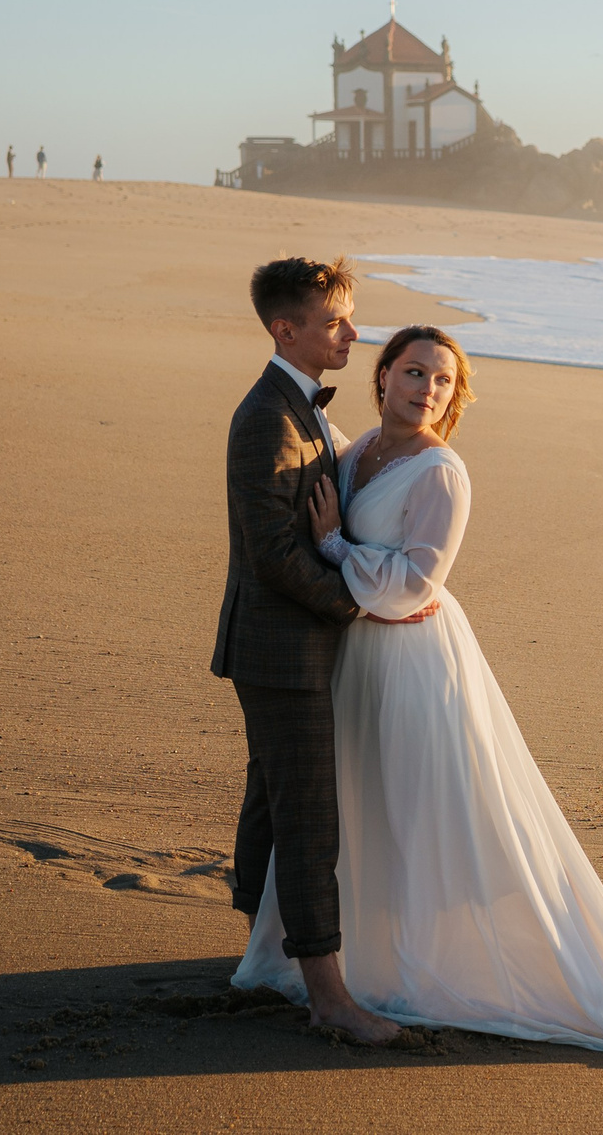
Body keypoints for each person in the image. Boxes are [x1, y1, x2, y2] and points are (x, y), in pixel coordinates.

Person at [230, 322, 603, 1075]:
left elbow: (420, 584)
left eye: (444, 381)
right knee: (364, 804)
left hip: (415, 658)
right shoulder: (356, 450)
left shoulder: (442, 473)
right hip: (356, 655)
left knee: (427, 804)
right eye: (415, 372)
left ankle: (431, 957)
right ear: (384, 376)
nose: (428, 389)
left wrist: (334, 551)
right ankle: (368, 950)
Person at [211, 256, 412, 1046]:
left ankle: (266, 958)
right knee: (308, 819)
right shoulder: (267, 416)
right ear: (283, 329)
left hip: (286, 644)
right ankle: (328, 997)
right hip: (279, 649)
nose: (353, 334)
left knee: (272, 803)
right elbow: (270, 553)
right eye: (334, 322)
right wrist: (355, 607)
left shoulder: (305, 410)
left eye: (351, 317)